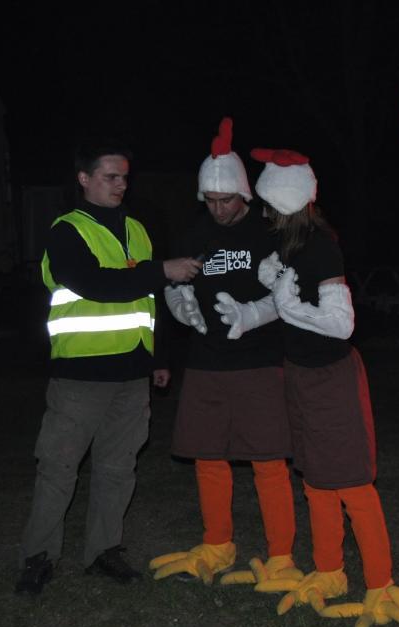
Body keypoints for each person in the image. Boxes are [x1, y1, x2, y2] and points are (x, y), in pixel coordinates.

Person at [242, 147, 399, 627]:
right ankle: (329, 570)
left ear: (286, 202)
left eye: (269, 204)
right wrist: (252, 312)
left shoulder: (320, 247)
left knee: (352, 482)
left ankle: (380, 584)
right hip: (300, 372)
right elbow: (289, 305)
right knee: (316, 478)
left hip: (332, 376)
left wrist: (289, 305)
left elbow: (341, 324)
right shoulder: (288, 246)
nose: (264, 213)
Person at [15, 141, 200, 595]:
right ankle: (38, 557)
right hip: (81, 373)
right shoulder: (67, 230)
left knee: (117, 468)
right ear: (84, 179)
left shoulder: (136, 229)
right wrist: (162, 270)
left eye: (124, 177)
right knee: (58, 468)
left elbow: (148, 299)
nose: (120, 184)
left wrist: (158, 357)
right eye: (110, 176)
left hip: (131, 373)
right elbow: (92, 283)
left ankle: (104, 551)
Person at [147, 118, 301, 589]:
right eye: (211, 200)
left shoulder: (269, 231)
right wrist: (180, 305)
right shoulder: (194, 233)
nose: (218, 208)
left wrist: (254, 314)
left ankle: (281, 556)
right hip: (206, 359)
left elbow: (293, 291)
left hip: (259, 360)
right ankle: (217, 544)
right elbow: (174, 282)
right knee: (207, 456)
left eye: (226, 199)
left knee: (268, 460)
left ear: (244, 193)